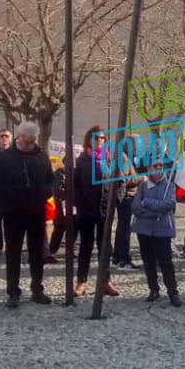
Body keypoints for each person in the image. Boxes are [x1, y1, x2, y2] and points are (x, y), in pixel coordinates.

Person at [0, 123, 55, 307]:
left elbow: (51, 179)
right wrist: (10, 197)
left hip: (36, 212)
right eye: (27, 142)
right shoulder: (4, 157)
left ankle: (37, 289)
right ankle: (13, 292)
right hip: (13, 213)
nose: (29, 145)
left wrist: (47, 191)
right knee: (13, 253)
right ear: (18, 137)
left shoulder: (41, 155)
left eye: (32, 142)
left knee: (37, 253)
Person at [70, 127, 119, 297]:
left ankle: (105, 281)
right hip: (87, 211)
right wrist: (81, 205)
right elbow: (74, 187)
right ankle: (81, 282)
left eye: (103, 138)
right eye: (96, 137)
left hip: (105, 211)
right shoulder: (81, 160)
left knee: (105, 247)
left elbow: (118, 183)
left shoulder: (108, 160)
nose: (100, 141)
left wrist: (115, 201)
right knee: (86, 247)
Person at [133, 170, 183, 306]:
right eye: (155, 165)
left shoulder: (169, 186)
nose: (158, 168)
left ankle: (173, 293)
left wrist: (147, 202)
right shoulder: (143, 186)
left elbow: (168, 205)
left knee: (166, 262)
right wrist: (154, 211)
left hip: (162, 230)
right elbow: (136, 206)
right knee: (148, 261)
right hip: (144, 230)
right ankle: (153, 289)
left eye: (160, 165)